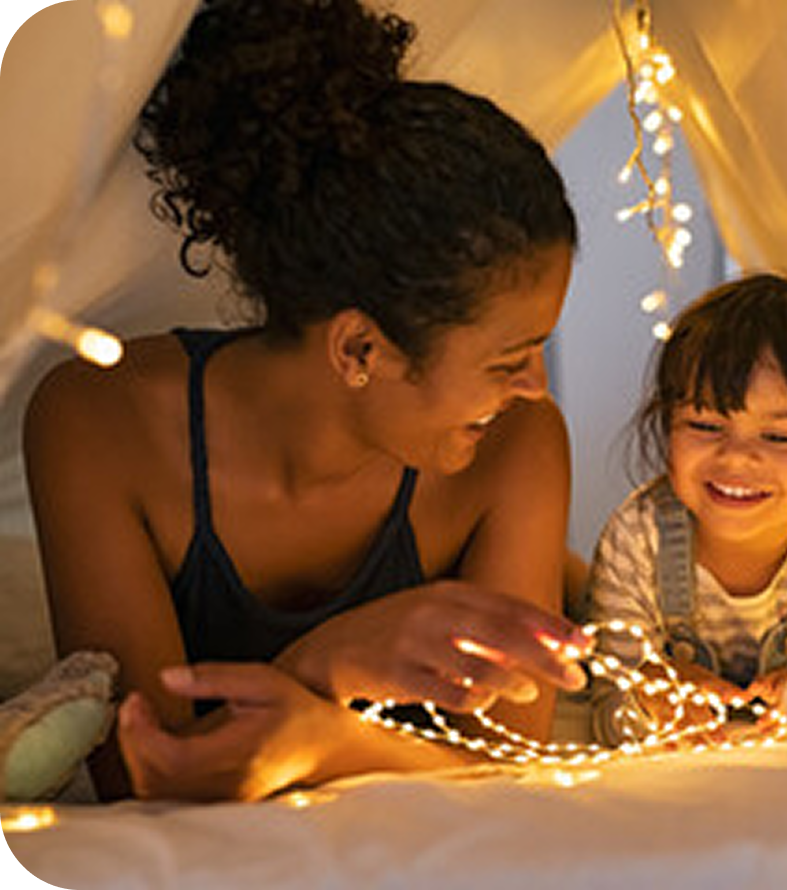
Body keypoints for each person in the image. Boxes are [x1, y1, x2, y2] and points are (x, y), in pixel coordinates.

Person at [22, 0, 592, 802]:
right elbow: (145, 775)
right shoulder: (99, 423)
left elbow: (506, 771)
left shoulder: (516, 447)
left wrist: (326, 736)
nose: (534, 386)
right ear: (360, 348)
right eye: (509, 359)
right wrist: (328, 662)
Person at [581, 274, 787, 745]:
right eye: (705, 425)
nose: (736, 458)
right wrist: (653, 700)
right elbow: (608, 711)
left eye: (780, 437)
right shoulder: (637, 538)